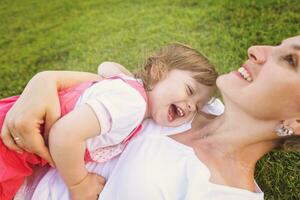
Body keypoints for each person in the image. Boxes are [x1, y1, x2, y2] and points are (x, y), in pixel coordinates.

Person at [10, 35, 300, 200]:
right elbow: (115, 82)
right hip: (17, 160)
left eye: (290, 60)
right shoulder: (202, 104)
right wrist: (45, 81)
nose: (256, 50)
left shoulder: (220, 194)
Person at [0, 43, 221, 200]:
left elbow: (106, 67)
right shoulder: (131, 105)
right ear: (158, 71)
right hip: (11, 149)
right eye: (190, 90)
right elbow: (63, 135)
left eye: (198, 105)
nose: (191, 105)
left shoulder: (128, 86)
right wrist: (79, 184)